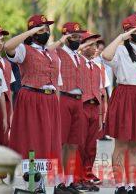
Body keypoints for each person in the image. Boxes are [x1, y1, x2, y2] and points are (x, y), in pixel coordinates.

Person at [4, 15, 63, 181]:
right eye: (41, 30)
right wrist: (29, 32)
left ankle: (40, 181)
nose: (45, 32)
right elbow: (8, 46)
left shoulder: (49, 52)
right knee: (32, 137)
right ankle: (30, 175)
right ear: (33, 33)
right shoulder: (24, 49)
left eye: (47, 29)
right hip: (32, 97)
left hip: (49, 99)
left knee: (48, 138)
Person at [102, 14, 136, 194]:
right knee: (121, 144)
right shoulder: (120, 50)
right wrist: (120, 38)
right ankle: (119, 185)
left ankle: (131, 184)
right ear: (128, 31)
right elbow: (105, 55)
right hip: (125, 96)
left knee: (134, 146)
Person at [53, 22, 87, 193]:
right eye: (74, 36)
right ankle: (58, 182)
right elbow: (48, 50)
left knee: (73, 143)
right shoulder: (57, 53)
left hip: (78, 99)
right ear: (66, 37)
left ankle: (69, 180)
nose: (78, 39)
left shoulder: (79, 57)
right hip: (64, 98)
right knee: (61, 141)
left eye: (79, 36)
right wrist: (61, 41)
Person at [77, 31, 103, 192]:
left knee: (91, 145)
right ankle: (78, 176)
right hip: (81, 105)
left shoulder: (96, 66)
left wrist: (101, 114)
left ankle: (87, 173)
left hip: (94, 106)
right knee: (80, 143)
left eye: (95, 45)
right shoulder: (77, 62)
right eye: (91, 45)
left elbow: (100, 91)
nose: (96, 48)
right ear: (84, 46)